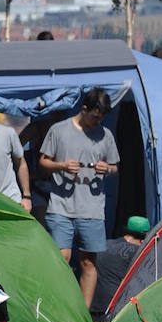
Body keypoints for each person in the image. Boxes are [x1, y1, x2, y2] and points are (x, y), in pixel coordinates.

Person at [39, 89, 119, 308]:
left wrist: (107, 169)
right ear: (84, 109)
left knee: (87, 262)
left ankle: (82, 316)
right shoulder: (59, 130)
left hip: (91, 208)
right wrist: (61, 166)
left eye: (101, 117)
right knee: (61, 259)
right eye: (94, 116)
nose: (98, 121)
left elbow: (115, 167)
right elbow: (43, 162)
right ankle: (57, 310)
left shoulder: (106, 135)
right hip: (60, 206)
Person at [88, 216, 150, 322]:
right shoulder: (137, 252)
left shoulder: (105, 244)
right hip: (113, 311)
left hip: (90, 306)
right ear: (143, 239)